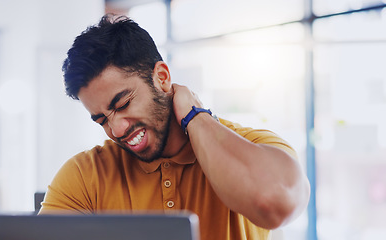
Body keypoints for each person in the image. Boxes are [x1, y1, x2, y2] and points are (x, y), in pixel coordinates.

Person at [39, 14, 310, 240]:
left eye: (122, 104)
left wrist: (195, 116)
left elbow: (277, 204)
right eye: (102, 119)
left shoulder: (249, 146)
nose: (117, 129)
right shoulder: (85, 175)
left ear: (162, 78)